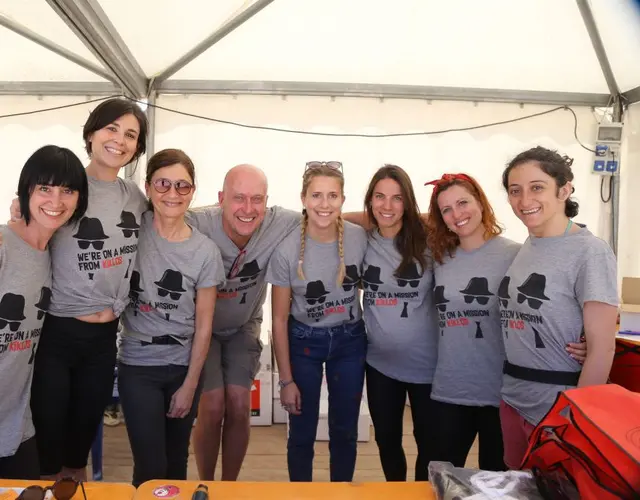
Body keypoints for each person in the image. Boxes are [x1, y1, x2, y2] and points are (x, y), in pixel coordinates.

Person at [28, 98, 148, 480]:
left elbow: (177, 215)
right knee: (48, 447)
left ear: (138, 148)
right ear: (91, 133)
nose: (119, 140)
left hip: (104, 339)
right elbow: (28, 230)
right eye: (111, 128)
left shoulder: (135, 197)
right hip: (57, 335)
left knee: (78, 451)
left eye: (131, 134)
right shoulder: (66, 188)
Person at [499, 146, 618, 469]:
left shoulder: (590, 252)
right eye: (515, 191)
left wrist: (576, 418)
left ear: (564, 189)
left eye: (537, 187)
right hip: (513, 399)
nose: (525, 200)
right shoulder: (530, 244)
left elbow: (603, 348)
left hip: (558, 408)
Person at [117, 149, 225, 487]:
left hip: (182, 367)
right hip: (138, 363)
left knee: (177, 460)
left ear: (193, 192)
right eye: (163, 184)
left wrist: (190, 385)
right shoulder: (131, 231)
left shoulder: (204, 251)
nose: (172, 194)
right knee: (150, 464)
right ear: (148, 188)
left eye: (182, 186)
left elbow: (204, 325)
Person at [187, 164, 300, 481]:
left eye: (257, 199)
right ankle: (207, 484)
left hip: (243, 327)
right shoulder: (195, 222)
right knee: (211, 406)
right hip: (200, 329)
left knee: (238, 402)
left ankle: (229, 486)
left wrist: (401, 221)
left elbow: (330, 217)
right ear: (221, 198)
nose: (248, 209)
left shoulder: (280, 222)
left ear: (267, 201)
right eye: (238, 198)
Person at [266, 161, 368, 482]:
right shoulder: (286, 249)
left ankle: (340, 490)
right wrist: (285, 380)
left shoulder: (359, 238)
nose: (324, 204)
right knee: (301, 431)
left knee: (345, 429)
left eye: (333, 196)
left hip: (350, 342)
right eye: (317, 196)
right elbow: (279, 318)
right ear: (303, 198)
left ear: (343, 199)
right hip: (303, 343)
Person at [0, 145, 88, 479]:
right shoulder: (3, 245)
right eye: (45, 189)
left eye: (67, 190)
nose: (56, 201)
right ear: (26, 191)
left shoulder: (54, 251)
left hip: (16, 427)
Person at [425, 172, 519, 472]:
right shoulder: (439, 258)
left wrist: (582, 339)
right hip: (450, 389)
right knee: (437, 480)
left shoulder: (516, 254)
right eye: (446, 210)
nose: (457, 214)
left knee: (496, 485)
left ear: (481, 202)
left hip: (501, 393)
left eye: (463, 202)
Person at [360, 165, 438, 481]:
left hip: (427, 366)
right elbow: (337, 217)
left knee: (428, 443)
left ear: (408, 202)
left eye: (396, 198)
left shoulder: (430, 242)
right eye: (380, 197)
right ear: (370, 200)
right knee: (386, 439)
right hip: (379, 365)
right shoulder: (360, 240)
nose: (387, 206)